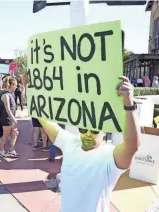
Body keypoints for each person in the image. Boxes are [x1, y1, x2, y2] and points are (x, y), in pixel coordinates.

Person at [38, 76, 140, 212]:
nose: (88, 134)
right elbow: (44, 119)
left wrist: (129, 104)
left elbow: (132, 145)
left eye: (94, 130)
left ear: (104, 131)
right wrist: (36, 92)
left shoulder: (110, 157)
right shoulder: (70, 143)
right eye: (83, 129)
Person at [0, 77, 20, 158]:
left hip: (11, 118)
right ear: (10, 85)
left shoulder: (11, 94)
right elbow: (7, 109)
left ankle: (11, 150)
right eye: (15, 85)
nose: (16, 87)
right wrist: (14, 119)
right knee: (5, 135)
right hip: (6, 119)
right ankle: (1, 150)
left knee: (15, 133)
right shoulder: (5, 95)